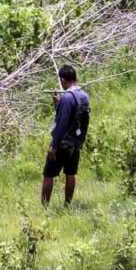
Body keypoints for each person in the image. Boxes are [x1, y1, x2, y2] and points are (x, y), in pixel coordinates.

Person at [42, 65, 90, 207]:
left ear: (63, 80)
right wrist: (59, 104)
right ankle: (67, 205)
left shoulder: (67, 97)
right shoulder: (84, 96)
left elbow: (62, 123)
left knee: (49, 174)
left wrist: (54, 146)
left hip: (63, 142)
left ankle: (44, 208)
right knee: (70, 173)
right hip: (76, 142)